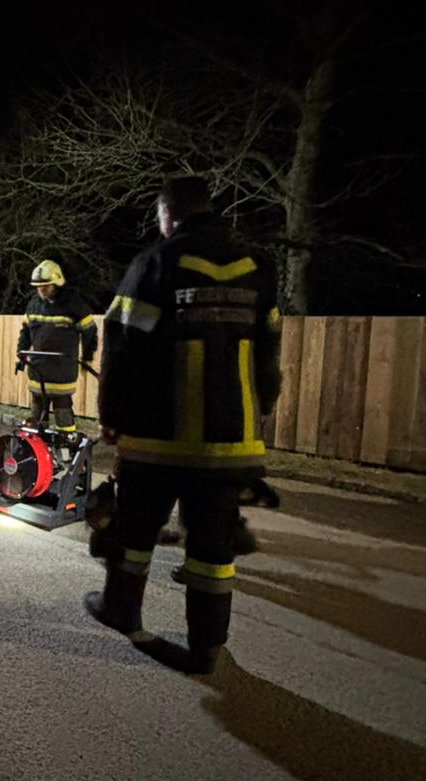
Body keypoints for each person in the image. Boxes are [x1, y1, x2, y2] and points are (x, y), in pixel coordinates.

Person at [86, 176, 281, 672]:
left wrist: (112, 417)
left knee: (135, 532)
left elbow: (122, 345)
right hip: (230, 441)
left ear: (167, 214)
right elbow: (268, 349)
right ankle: (206, 646)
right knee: (213, 547)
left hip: (158, 439)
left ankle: (121, 609)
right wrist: (262, 406)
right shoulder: (257, 267)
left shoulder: (154, 264)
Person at [15, 259, 99, 436]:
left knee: (62, 411)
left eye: (45, 285)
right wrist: (21, 355)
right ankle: (38, 448)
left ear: (57, 283)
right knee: (37, 416)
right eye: (38, 286)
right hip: (38, 371)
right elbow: (25, 333)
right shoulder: (34, 305)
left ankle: (66, 445)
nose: (41, 289)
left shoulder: (73, 305)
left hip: (62, 371)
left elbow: (90, 332)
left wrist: (87, 356)